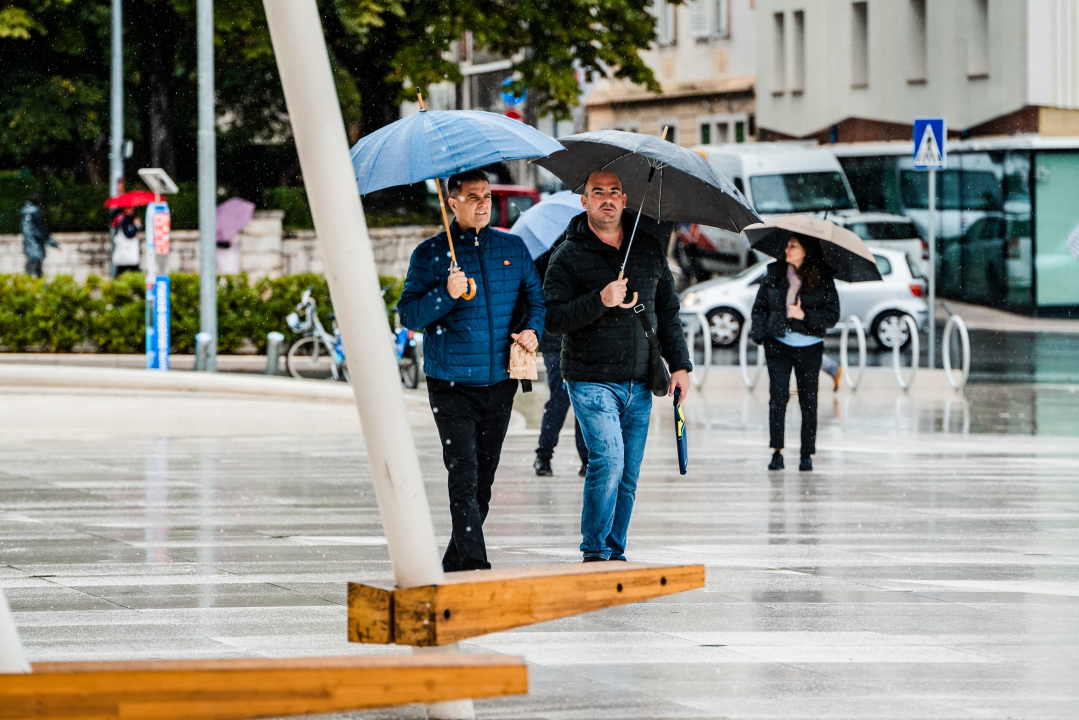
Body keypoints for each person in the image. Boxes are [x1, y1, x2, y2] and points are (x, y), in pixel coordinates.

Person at [397, 169, 545, 572]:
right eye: (473, 197)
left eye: (486, 195)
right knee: (463, 471)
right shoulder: (430, 254)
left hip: (499, 383)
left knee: (484, 479)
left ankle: (455, 558)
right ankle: (476, 563)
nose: (482, 203)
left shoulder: (511, 247)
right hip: (450, 384)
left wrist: (534, 330)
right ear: (453, 203)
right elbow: (409, 313)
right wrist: (445, 294)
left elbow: (536, 301)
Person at [544, 169, 692, 563]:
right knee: (608, 461)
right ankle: (593, 550)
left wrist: (680, 366)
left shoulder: (647, 249)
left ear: (626, 201)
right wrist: (601, 300)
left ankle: (615, 550)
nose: (607, 199)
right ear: (585, 201)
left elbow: (668, 312)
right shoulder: (568, 254)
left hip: (641, 380)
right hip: (590, 379)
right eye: (598, 193)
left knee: (627, 476)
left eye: (614, 192)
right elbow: (553, 319)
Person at [750, 236, 841, 472]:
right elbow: (759, 307)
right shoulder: (774, 273)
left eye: (793, 246)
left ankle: (806, 454)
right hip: (778, 345)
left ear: (805, 250)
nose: (787, 249)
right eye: (787, 244)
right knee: (778, 397)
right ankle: (777, 452)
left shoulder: (822, 278)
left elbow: (832, 314)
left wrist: (805, 317)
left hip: (810, 347)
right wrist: (760, 334)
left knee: (808, 401)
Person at [532, 240, 589, 478]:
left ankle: (585, 459)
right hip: (556, 339)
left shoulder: (584, 253)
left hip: (580, 338)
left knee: (581, 401)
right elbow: (539, 299)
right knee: (561, 398)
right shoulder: (547, 257)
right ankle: (544, 455)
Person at [20, 195, 58, 278]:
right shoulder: (35, 212)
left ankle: (33, 284)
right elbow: (41, 230)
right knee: (34, 268)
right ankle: (39, 287)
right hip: (35, 246)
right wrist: (53, 243)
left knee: (32, 267)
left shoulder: (25, 213)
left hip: (28, 245)